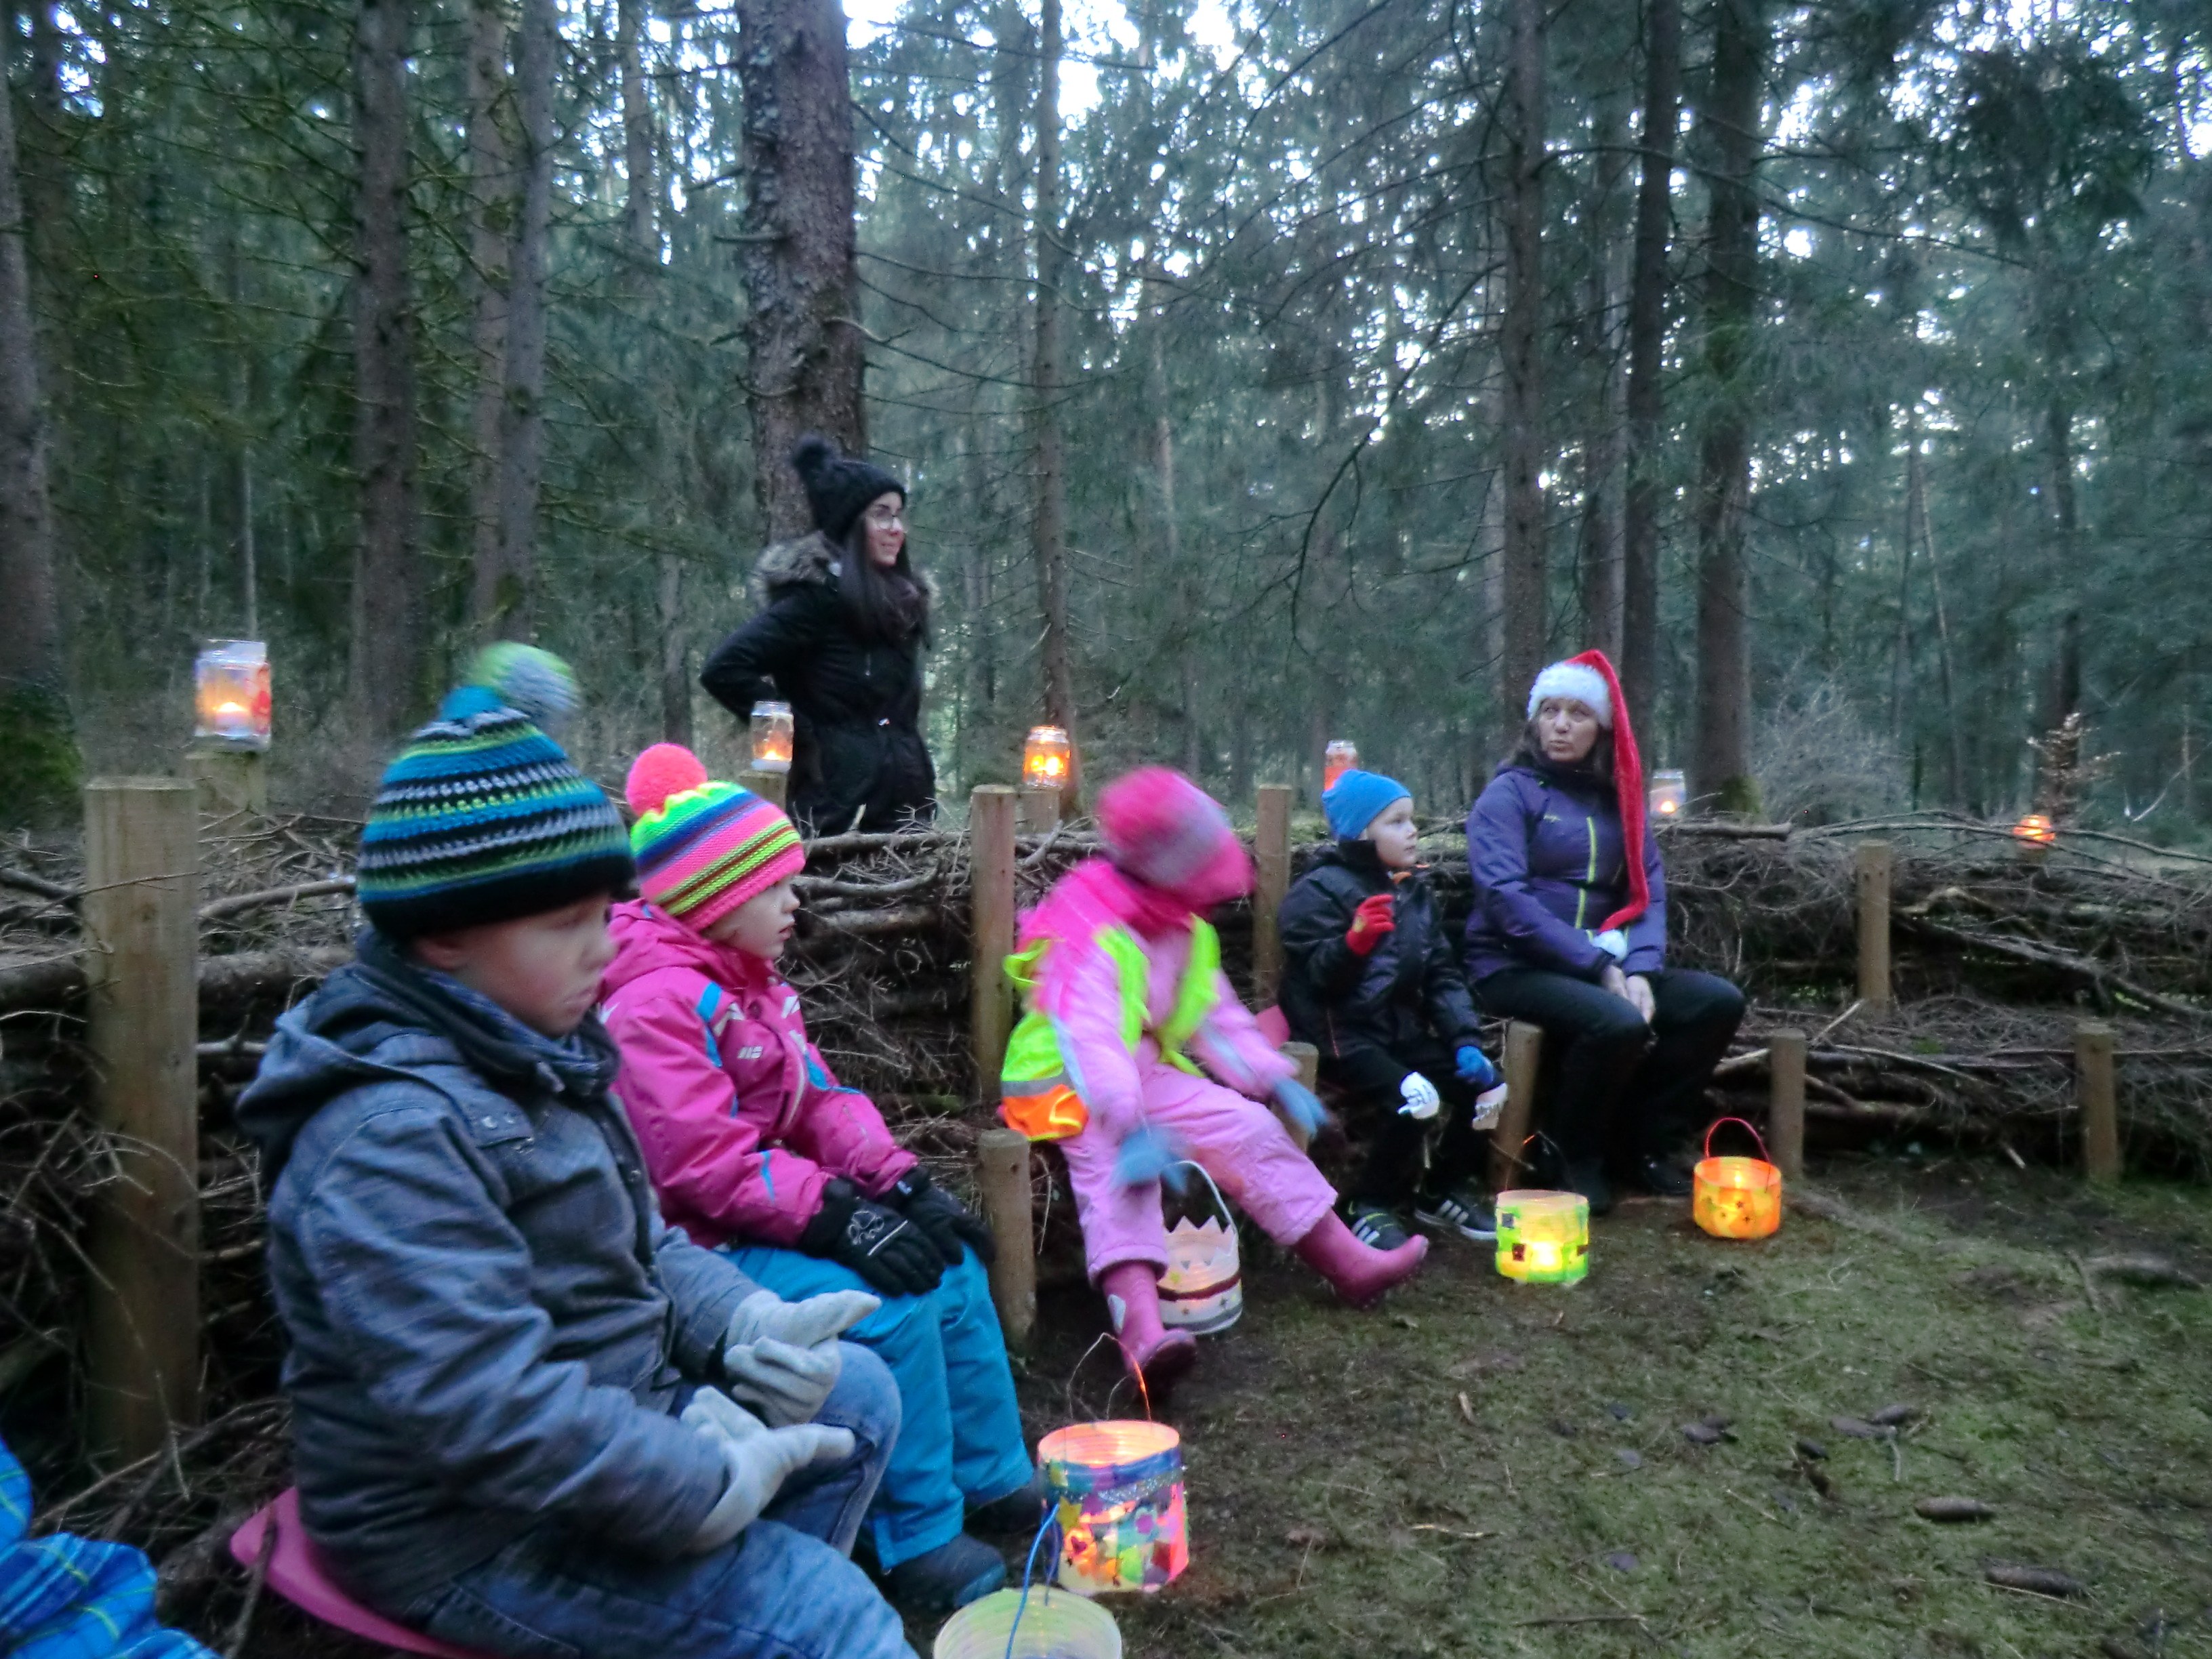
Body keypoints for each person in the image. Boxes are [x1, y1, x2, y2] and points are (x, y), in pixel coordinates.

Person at [235, 651, 916, 1659]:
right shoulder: (388, 1133)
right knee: (833, 1618)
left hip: (611, 1421)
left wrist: (745, 1324)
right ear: (444, 937)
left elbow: (637, 1244)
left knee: (858, 1396)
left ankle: (730, 1610)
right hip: (473, 1527)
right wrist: (697, 1483)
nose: (606, 948)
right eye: (567, 925)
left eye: (606, 913)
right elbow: (489, 1410)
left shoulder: (541, 1050)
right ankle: (765, 1609)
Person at [599, 743, 1038, 1614]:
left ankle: (992, 1474)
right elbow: (702, 1165)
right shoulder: (655, 1002)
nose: (795, 902)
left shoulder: (750, 986)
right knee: (895, 1311)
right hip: (705, 1248)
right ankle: (918, 1535)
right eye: (775, 888)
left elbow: (822, 1103)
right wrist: (840, 1218)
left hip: (767, 1214)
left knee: (951, 1268)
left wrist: (900, 1186)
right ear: (715, 900)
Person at [1002, 766, 1429, 1398]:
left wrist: (1274, 1081)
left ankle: (1349, 1263)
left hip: (1140, 1071)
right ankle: (1142, 1333)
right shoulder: (1093, 928)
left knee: (1247, 1125)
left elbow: (1216, 1017)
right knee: (1121, 1174)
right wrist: (1132, 1127)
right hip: (1065, 1083)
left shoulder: (1183, 925)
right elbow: (1089, 1042)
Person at [1463, 649, 1746, 1215]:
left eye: (1578, 713)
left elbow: (1648, 891)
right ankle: (1570, 1156)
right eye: (1550, 711)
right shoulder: (1509, 794)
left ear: (1602, 729)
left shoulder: (1620, 800)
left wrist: (1640, 968)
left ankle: (1642, 1144)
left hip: (1604, 962)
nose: (1561, 725)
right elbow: (1504, 900)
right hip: (1512, 965)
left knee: (1715, 1003)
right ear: (1534, 722)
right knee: (1616, 1022)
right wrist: (1597, 967)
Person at [1278, 769, 1502, 1248]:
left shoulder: (1412, 891)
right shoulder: (1319, 891)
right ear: (1362, 833)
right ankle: (1367, 1204)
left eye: (1411, 820)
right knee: (1418, 1097)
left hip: (1397, 1031)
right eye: (1396, 822)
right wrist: (1352, 945)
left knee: (1489, 1089)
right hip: (1340, 1036)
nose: (1412, 831)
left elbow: (1442, 974)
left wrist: (1464, 1040)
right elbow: (1318, 981)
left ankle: (1443, 1189)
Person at [701, 436, 935, 836]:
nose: (896, 529)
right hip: (829, 816)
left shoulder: (904, 604)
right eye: (881, 515)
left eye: (899, 515)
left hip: (906, 813)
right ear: (850, 523)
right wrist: (797, 732)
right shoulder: (813, 601)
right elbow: (724, 669)